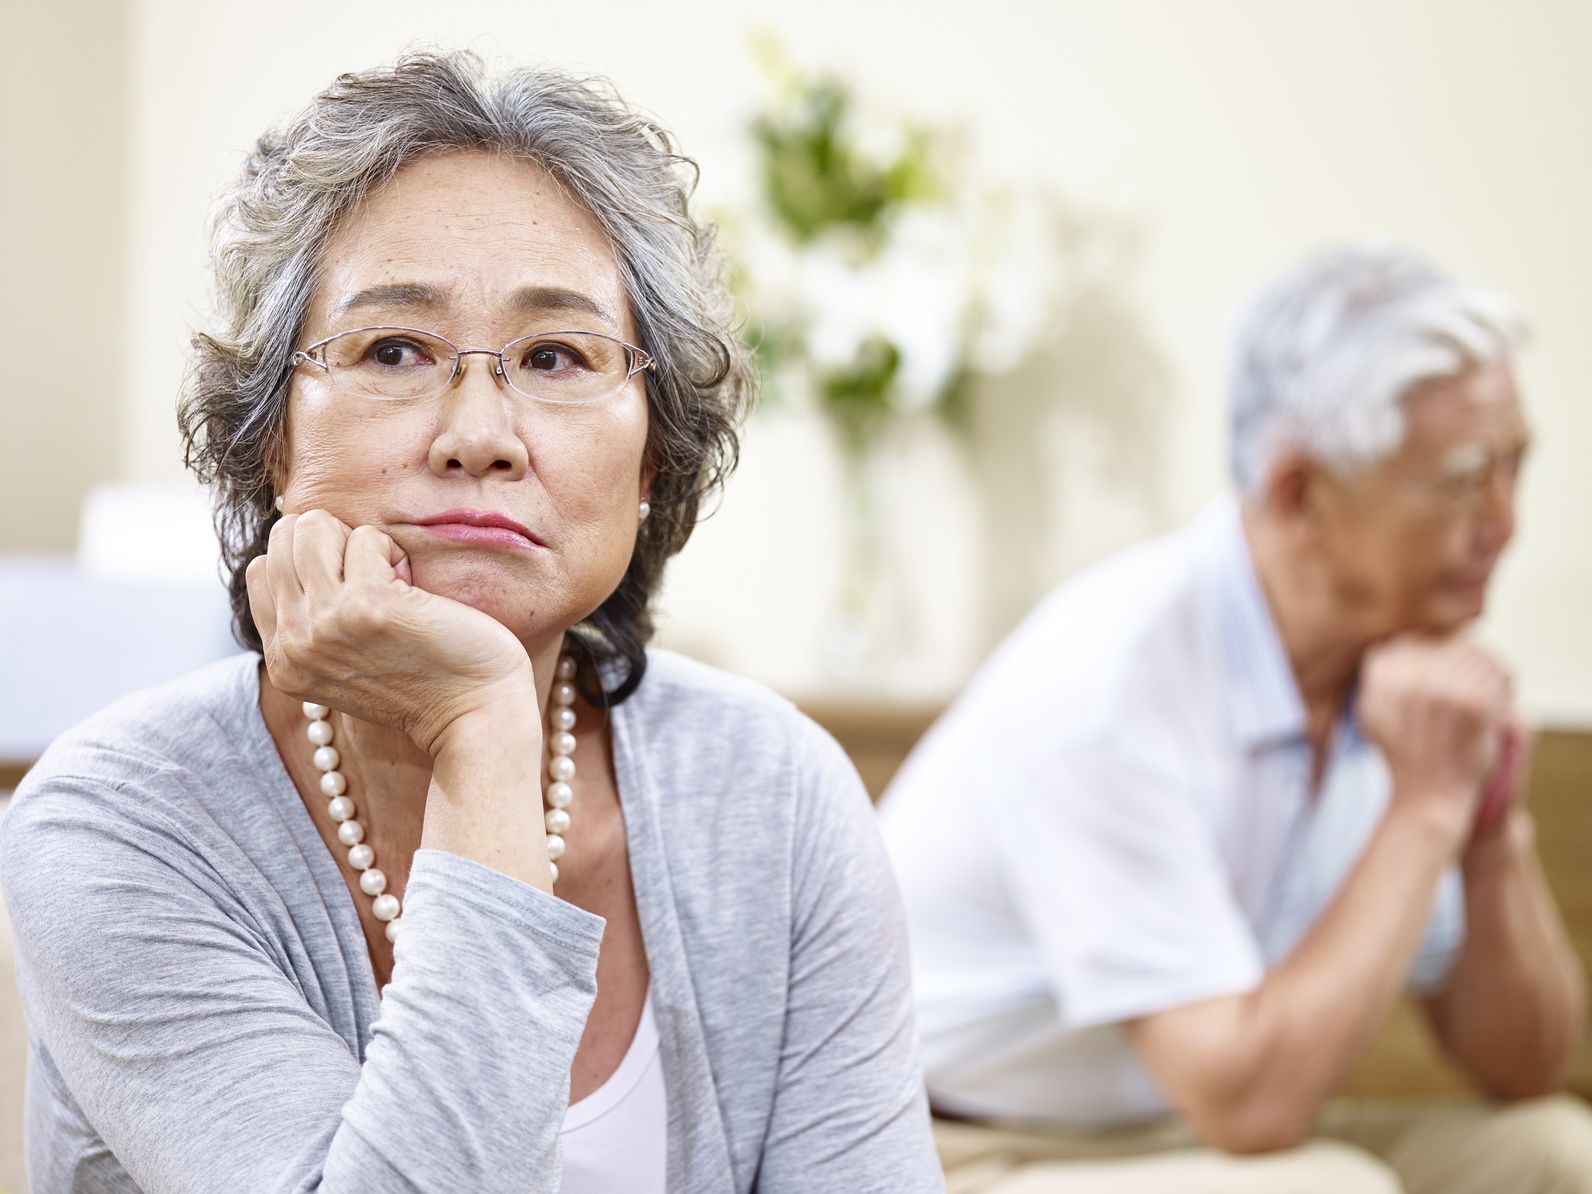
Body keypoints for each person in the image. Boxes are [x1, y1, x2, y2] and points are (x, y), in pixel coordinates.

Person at [0, 52, 941, 1193]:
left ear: (656, 456)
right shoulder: (116, 823)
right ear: (271, 441)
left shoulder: (773, 794)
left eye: (556, 356)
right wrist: (483, 733)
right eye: (393, 350)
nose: (480, 432)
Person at [878, 245, 1592, 1193]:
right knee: (1329, 1186)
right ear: (1301, 494)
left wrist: (1488, 820)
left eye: (1515, 468)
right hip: (958, 1152)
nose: (1504, 522)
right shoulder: (1110, 684)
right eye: (1464, 479)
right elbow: (1249, 1106)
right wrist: (1426, 807)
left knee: (1554, 1153)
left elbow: (1525, 1066)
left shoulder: (1405, 682)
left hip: (1180, 1137)